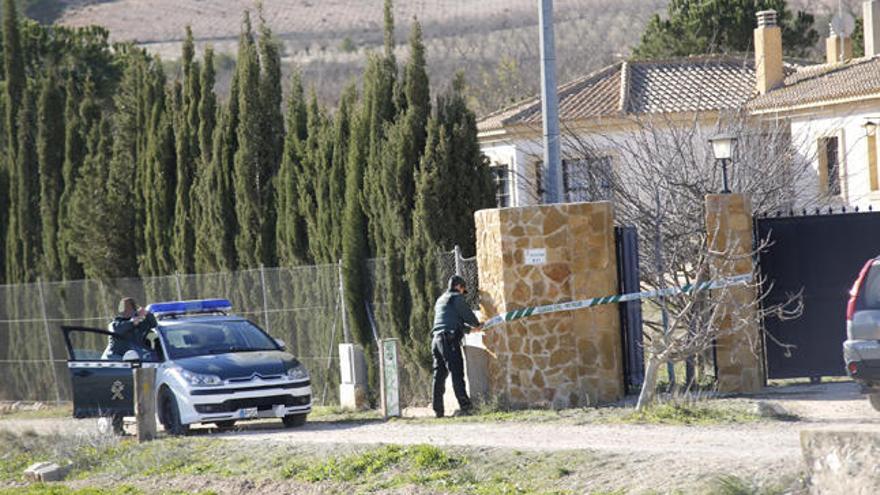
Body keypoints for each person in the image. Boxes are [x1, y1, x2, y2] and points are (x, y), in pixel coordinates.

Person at [431, 275, 481, 418]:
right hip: (449, 340)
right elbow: (467, 315)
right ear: (459, 286)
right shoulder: (456, 298)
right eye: (463, 289)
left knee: (439, 375)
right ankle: (465, 407)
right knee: (457, 373)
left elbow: (451, 321)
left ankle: (438, 411)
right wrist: (477, 325)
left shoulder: (441, 300)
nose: (463, 293)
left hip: (436, 340)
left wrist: (470, 330)